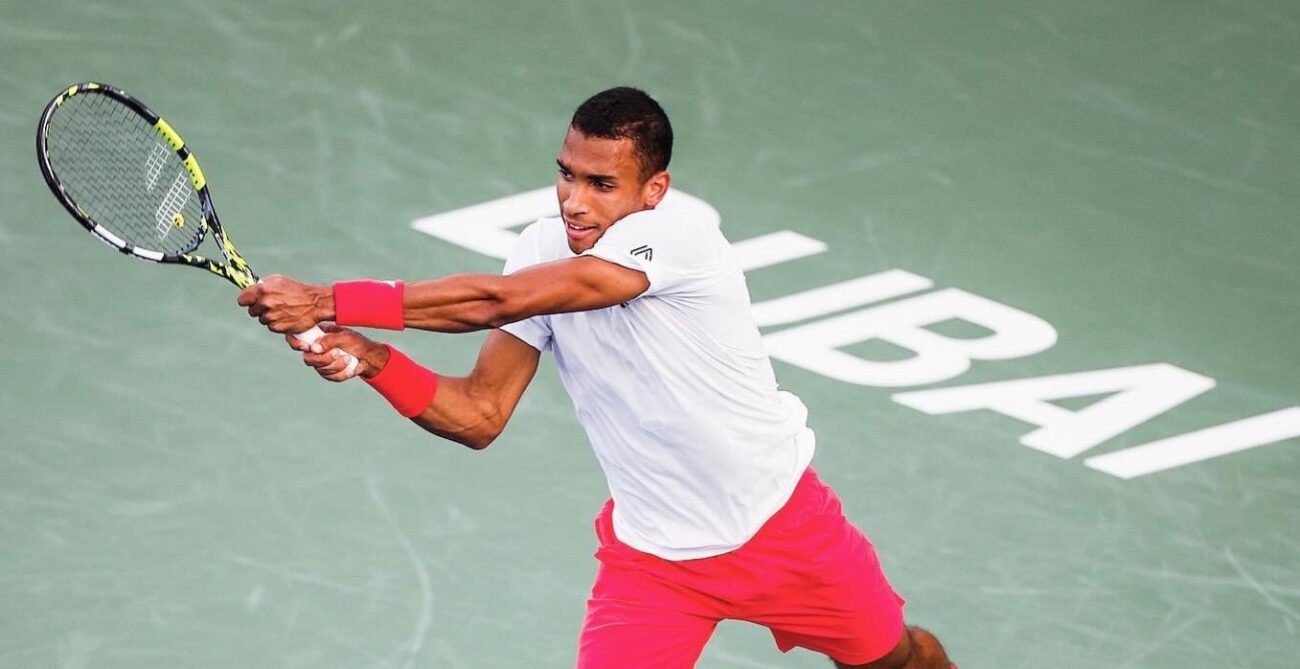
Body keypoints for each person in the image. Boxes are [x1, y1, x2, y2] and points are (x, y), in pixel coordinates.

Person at [238, 86, 955, 669]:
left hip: (783, 529)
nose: (574, 201)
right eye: (566, 174)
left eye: (601, 183)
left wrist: (328, 298)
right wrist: (373, 360)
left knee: (896, 662)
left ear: (654, 189)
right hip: (653, 564)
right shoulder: (543, 248)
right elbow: (479, 413)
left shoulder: (681, 238)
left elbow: (498, 299)